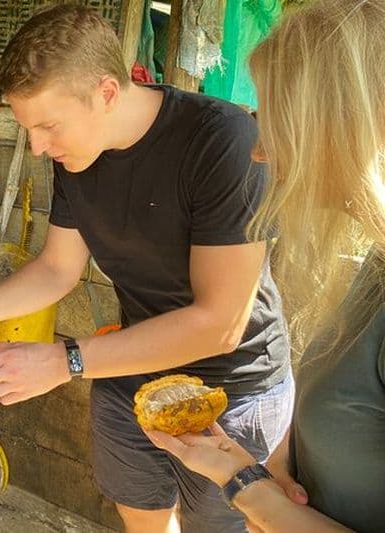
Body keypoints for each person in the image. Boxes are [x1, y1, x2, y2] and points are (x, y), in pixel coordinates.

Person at [0, 5, 294, 532]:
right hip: (127, 368)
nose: (38, 145)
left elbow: (219, 325)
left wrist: (67, 362)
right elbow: (57, 269)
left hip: (234, 387)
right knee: (142, 518)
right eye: (28, 128)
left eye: (47, 126)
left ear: (107, 92)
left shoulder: (220, 140)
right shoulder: (75, 153)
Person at [145, 1, 385, 531]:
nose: (258, 153)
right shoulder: (373, 269)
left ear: (337, 126)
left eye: (272, 118)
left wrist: (251, 495)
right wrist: (254, 470)